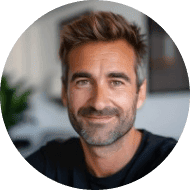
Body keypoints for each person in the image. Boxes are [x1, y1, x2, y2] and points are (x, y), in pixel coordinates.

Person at [26, 11, 177, 189]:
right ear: (65, 93)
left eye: (116, 82)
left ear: (140, 93)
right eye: (83, 82)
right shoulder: (47, 164)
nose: (98, 103)